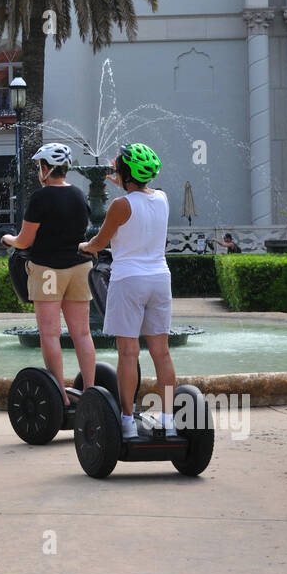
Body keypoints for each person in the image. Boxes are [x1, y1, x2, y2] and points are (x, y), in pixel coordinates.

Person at [79, 143, 178, 438]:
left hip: (128, 281)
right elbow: (142, 200)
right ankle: (168, 420)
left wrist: (84, 246)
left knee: (128, 352)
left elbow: (99, 242)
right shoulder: (162, 198)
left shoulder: (120, 205)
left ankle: (125, 420)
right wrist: (122, 179)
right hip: (160, 280)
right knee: (161, 353)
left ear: (125, 173)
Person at [1, 143, 95, 407]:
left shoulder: (40, 198)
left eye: (38, 167)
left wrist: (8, 238)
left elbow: (24, 241)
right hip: (79, 269)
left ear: (46, 168)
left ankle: (61, 397)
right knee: (82, 334)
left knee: (50, 334)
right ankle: (91, 392)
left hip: (48, 271)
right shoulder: (79, 195)